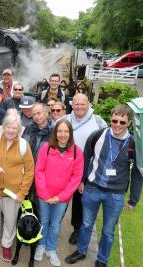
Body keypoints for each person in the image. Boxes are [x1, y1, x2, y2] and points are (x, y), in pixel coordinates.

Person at [65, 105, 143, 267]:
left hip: (115, 195)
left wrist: (133, 199)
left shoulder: (133, 144)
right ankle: (81, 251)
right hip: (92, 188)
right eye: (114, 120)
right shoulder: (98, 135)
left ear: (128, 123)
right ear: (110, 118)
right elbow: (85, 158)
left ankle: (102, 260)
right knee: (86, 224)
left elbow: (137, 172)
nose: (117, 125)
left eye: (122, 122)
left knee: (108, 232)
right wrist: (82, 181)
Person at [0, 114, 34, 262]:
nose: (11, 130)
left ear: (19, 130)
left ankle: (7, 244)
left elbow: (29, 171)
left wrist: (22, 193)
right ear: (4, 127)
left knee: (10, 220)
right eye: (8, 127)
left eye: (14, 128)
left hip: (13, 193)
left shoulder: (24, 145)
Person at [34, 119, 84, 266]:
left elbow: (76, 178)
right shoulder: (47, 148)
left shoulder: (76, 152)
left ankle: (51, 249)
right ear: (55, 133)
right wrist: (45, 194)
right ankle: (41, 246)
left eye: (66, 131)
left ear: (70, 133)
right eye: (59, 131)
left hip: (62, 198)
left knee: (55, 224)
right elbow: (39, 171)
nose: (62, 134)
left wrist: (61, 197)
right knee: (44, 221)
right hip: (45, 196)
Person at [64, 93, 107, 245]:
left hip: (86, 169)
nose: (79, 107)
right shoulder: (65, 120)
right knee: (59, 198)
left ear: (88, 104)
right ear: (72, 105)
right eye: (76, 104)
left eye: (83, 104)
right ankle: (52, 224)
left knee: (79, 201)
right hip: (64, 167)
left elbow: (105, 141)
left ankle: (77, 229)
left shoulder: (97, 121)